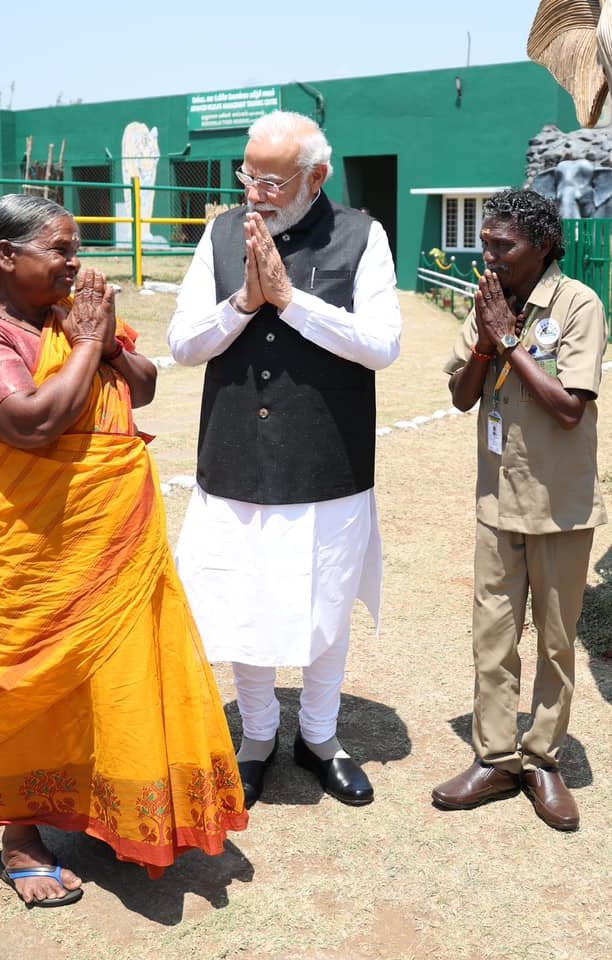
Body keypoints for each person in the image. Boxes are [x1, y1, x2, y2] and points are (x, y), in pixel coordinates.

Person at [0, 194, 247, 907]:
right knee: (31, 692)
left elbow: (139, 388)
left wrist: (106, 342)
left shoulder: (70, 321)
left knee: (114, 685)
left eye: (77, 249)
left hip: (117, 548)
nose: (75, 264)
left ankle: (110, 811)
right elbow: (31, 424)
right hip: (34, 559)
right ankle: (21, 840)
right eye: (60, 250)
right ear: (5, 257)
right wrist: (85, 344)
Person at [168, 110, 402, 808]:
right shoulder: (218, 235)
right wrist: (243, 301)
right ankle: (260, 735)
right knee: (243, 600)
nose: (256, 192)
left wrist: (292, 302)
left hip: (328, 460)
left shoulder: (362, 235)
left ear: (317, 177)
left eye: (272, 180)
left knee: (326, 602)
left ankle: (321, 736)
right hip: (236, 456)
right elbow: (183, 343)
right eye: (248, 175)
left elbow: (383, 344)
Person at [433, 189, 607, 831]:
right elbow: (459, 398)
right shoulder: (489, 301)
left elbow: (568, 409)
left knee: (557, 645)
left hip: (560, 508)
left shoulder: (579, 305)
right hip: (496, 501)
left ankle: (543, 759)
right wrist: (484, 341)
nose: (490, 255)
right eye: (486, 242)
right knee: (492, 638)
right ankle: (497, 758)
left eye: (503, 245)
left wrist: (509, 340)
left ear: (542, 246)